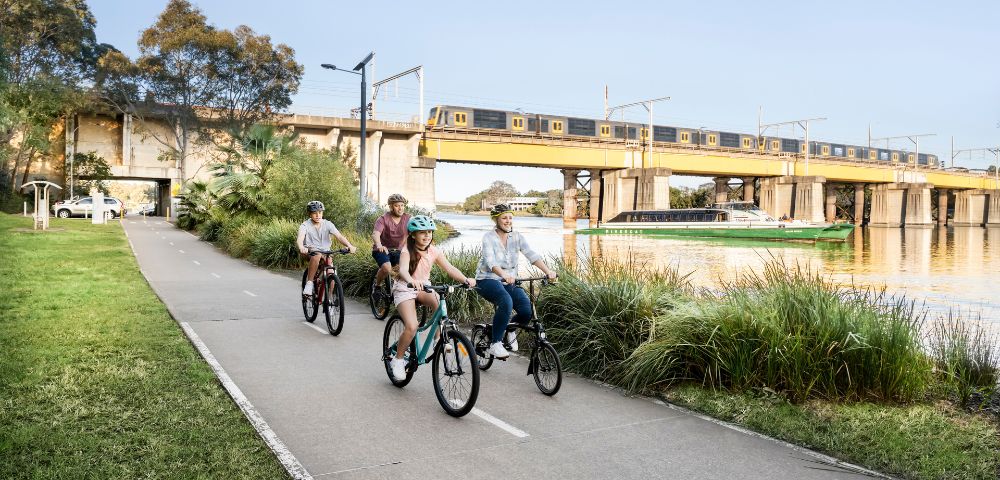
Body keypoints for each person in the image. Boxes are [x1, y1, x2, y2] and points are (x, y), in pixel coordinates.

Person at [388, 215, 476, 380]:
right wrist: (411, 280)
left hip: (424, 287)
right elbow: (403, 270)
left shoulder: (434, 251)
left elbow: (450, 268)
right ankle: (398, 360)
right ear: (413, 235)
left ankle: (437, 339)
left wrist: (465, 279)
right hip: (405, 288)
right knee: (412, 326)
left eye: (429, 232)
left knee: (439, 304)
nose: (427, 235)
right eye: (422, 232)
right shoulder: (407, 250)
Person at [474, 203, 557, 359]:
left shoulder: (517, 236)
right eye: (504, 218)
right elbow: (491, 263)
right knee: (506, 301)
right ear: (496, 220)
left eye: (510, 218)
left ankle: (510, 330)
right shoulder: (488, 237)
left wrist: (548, 271)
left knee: (527, 311)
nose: (508, 221)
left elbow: (531, 254)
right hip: (487, 279)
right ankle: (495, 343)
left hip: (509, 281)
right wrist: (504, 274)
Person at [296, 200, 357, 296]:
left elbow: (339, 236)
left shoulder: (328, 224)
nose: (318, 215)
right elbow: (300, 238)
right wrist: (301, 247)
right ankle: (309, 283)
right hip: (310, 251)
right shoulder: (305, 225)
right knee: (317, 254)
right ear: (310, 214)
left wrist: (349, 245)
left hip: (326, 252)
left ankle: (329, 299)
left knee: (331, 273)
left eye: (320, 212)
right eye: (314, 213)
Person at [371, 193, 411, 293]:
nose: (400, 208)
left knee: (404, 271)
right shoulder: (383, 219)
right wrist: (379, 245)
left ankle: (398, 293)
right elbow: (376, 234)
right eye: (397, 206)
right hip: (382, 249)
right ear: (391, 207)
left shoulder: (408, 218)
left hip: (399, 251)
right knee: (386, 268)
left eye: (402, 205)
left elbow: (415, 232)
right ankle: (377, 286)